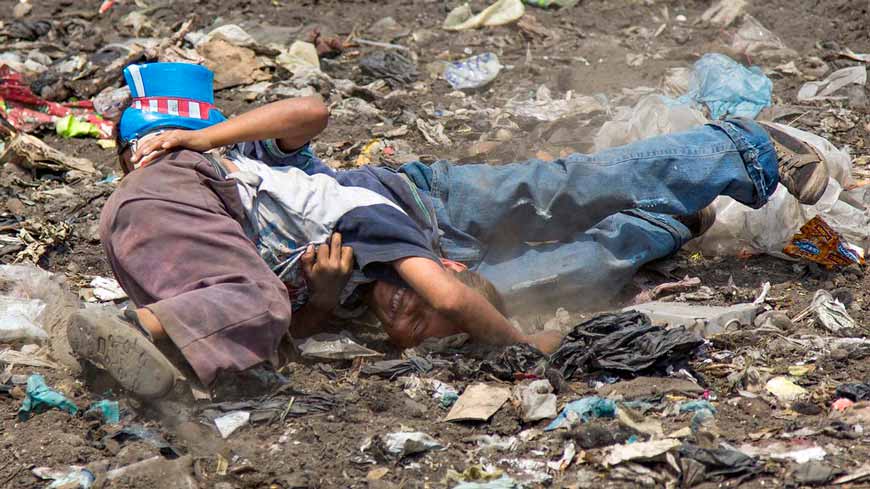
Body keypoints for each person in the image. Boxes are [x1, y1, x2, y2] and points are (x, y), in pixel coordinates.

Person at [70, 62, 829, 400]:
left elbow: (311, 111)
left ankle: (741, 145)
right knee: (578, 268)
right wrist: (330, 303)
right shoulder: (265, 221)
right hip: (404, 260)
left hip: (422, 202)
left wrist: (205, 138)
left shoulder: (277, 179)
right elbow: (303, 310)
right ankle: (673, 214)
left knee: (569, 189)